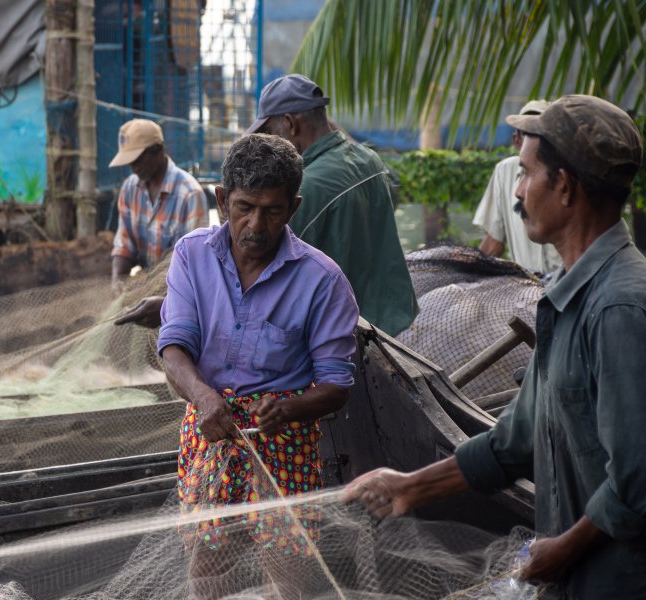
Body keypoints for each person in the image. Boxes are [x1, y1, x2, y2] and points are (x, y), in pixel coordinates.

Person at [343, 95, 646, 599]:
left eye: (525, 174)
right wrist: (407, 487)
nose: (518, 192)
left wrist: (563, 548)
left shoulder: (621, 310)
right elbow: (513, 444)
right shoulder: (569, 297)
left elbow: (643, 479)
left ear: (563, 187)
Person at [158, 134, 359, 597]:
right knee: (209, 570)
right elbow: (174, 347)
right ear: (222, 199)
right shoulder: (192, 255)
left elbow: (336, 384)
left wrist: (288, 410)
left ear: (293, 207)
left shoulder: (322, 281)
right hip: (210, 429)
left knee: (290, 577)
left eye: (272, 210)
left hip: (281, 440)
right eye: (244, 207)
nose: (256, 224)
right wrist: (204, 396)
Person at [248, 74, 417, 336]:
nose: (269, 143)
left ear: (291, 124)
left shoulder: (305, 188)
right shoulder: (370, 161)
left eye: (270, 132)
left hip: (343, 338)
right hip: (394, 324)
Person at [109, 118, 208, 291]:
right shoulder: (130, 188)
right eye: (130, 162)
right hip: (146, 287)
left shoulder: (189, 194)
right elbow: (124, 246)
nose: (133, 167)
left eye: (138, 160)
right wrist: (117, 279)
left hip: (179, 291)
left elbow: (192, 265)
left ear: (158, 151)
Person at [474, 100, 562, 275]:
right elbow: (493, 243)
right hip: (527, 290)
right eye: (529, 133)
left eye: (542, 134)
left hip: (566, 287)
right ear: (517, 140)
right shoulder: (505, 171)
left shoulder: (564, 173)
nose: (519, 193)